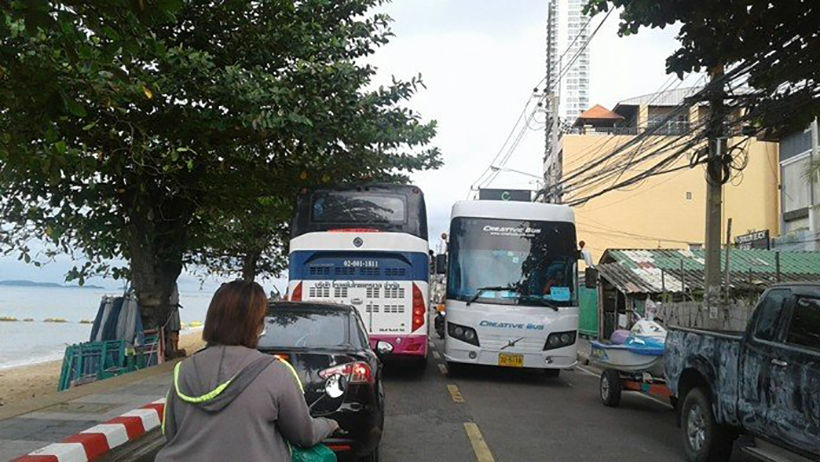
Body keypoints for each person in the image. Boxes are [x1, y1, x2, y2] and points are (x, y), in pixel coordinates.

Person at [156, 280, 338, 461]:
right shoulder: (275, 372)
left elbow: (171, 432)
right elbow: (303, 434)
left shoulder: (183, 370)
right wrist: (329, 424)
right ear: (256, 325)